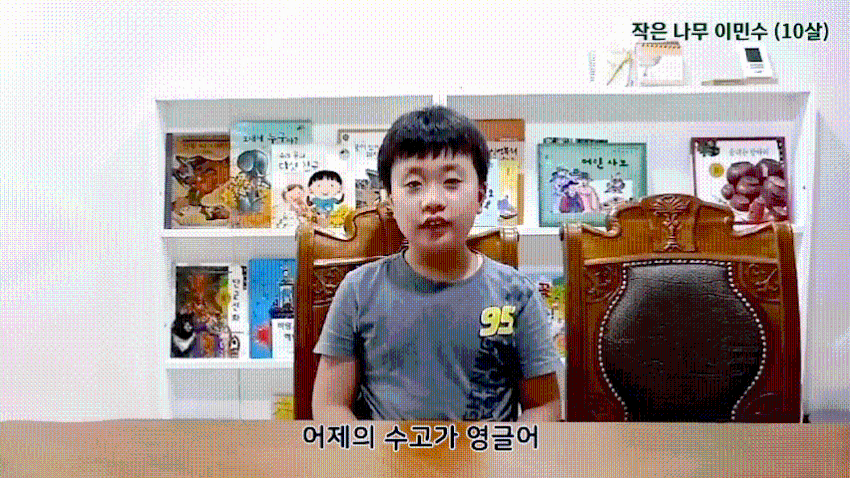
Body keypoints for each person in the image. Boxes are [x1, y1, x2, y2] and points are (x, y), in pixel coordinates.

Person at [311, 106, 561, 421]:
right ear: (390, 200)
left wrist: (509, 451)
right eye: (413, 184)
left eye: (451, 182)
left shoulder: (516, 294)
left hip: (486, 452)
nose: (433, 201)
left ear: (481, 195)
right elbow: (331, 405)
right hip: (390, 451)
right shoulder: (359, 290)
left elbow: (543, 407)